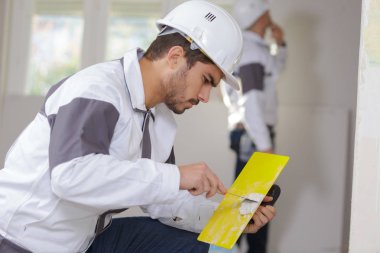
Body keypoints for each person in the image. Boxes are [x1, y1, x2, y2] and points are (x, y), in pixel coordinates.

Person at [0, 1, 277, 253]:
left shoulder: (161, 121)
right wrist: (175, 176)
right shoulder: (98, 89)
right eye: (206, 80)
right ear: (175, 56)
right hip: (23, 242)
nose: (205, 96)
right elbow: (70, 175)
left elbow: (166, 202)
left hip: (84, 242)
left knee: (213, 248)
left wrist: (230, 217)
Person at [221, 0, 287, 253]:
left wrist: (280, 46)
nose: (271, 12)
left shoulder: (252, 50)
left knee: (250, 205)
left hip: (251, 133)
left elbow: (273, 74)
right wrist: (266, 146)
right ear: (260, 15)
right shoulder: (252, 52)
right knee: (250, 208)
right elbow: (251, 103)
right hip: (255, 134)